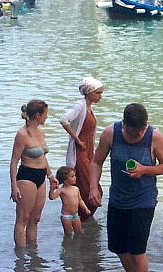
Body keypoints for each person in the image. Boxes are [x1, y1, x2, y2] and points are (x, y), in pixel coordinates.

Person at [92, 103, 163, 272]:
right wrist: (94, 186)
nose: (139, 133)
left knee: (137, 250)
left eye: (142, 129)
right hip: (118, 198)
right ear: (124, 124)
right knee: (118, 248)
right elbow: (96, 162)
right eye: (135, 130)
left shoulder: (154, 137)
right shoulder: (111, 133)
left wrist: (144, 170)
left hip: (144, 199)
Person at [10, 100, 57, 248]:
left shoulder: (40, 132)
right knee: (22, 219)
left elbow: (43, 156)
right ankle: (21, 258)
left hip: (41, 176)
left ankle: (33, 255)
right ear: (37, 115)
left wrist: (50, 176)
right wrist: (14, 186)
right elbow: (14, 161)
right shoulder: (22, 134)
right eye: (45, 115)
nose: (46, 118)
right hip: (27, 176)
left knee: (35, 218)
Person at [59, 76, 105, 221]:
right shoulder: (80, 105)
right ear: (89, 93)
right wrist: (77, 139)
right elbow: (64, 119)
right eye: (98, 93)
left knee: (92, 186)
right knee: (87, 186)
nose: (100, 96)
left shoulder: (88, 107)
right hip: (80, 152)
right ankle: (80, 218)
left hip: (88, 151)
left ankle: (82, 218)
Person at [50, 166, 91, 236]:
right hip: (66, 217)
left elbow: (80, 200)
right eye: (72, 176)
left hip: (76, 215)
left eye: (75, 176)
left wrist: (86, 209)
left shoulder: (76, 189)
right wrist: (52, 189)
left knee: (79, 232)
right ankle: (67, 246)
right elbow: (52, 197)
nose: (75, 177)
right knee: (68, 234)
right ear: (65, 180)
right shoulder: (62, 190)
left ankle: (77, 245)